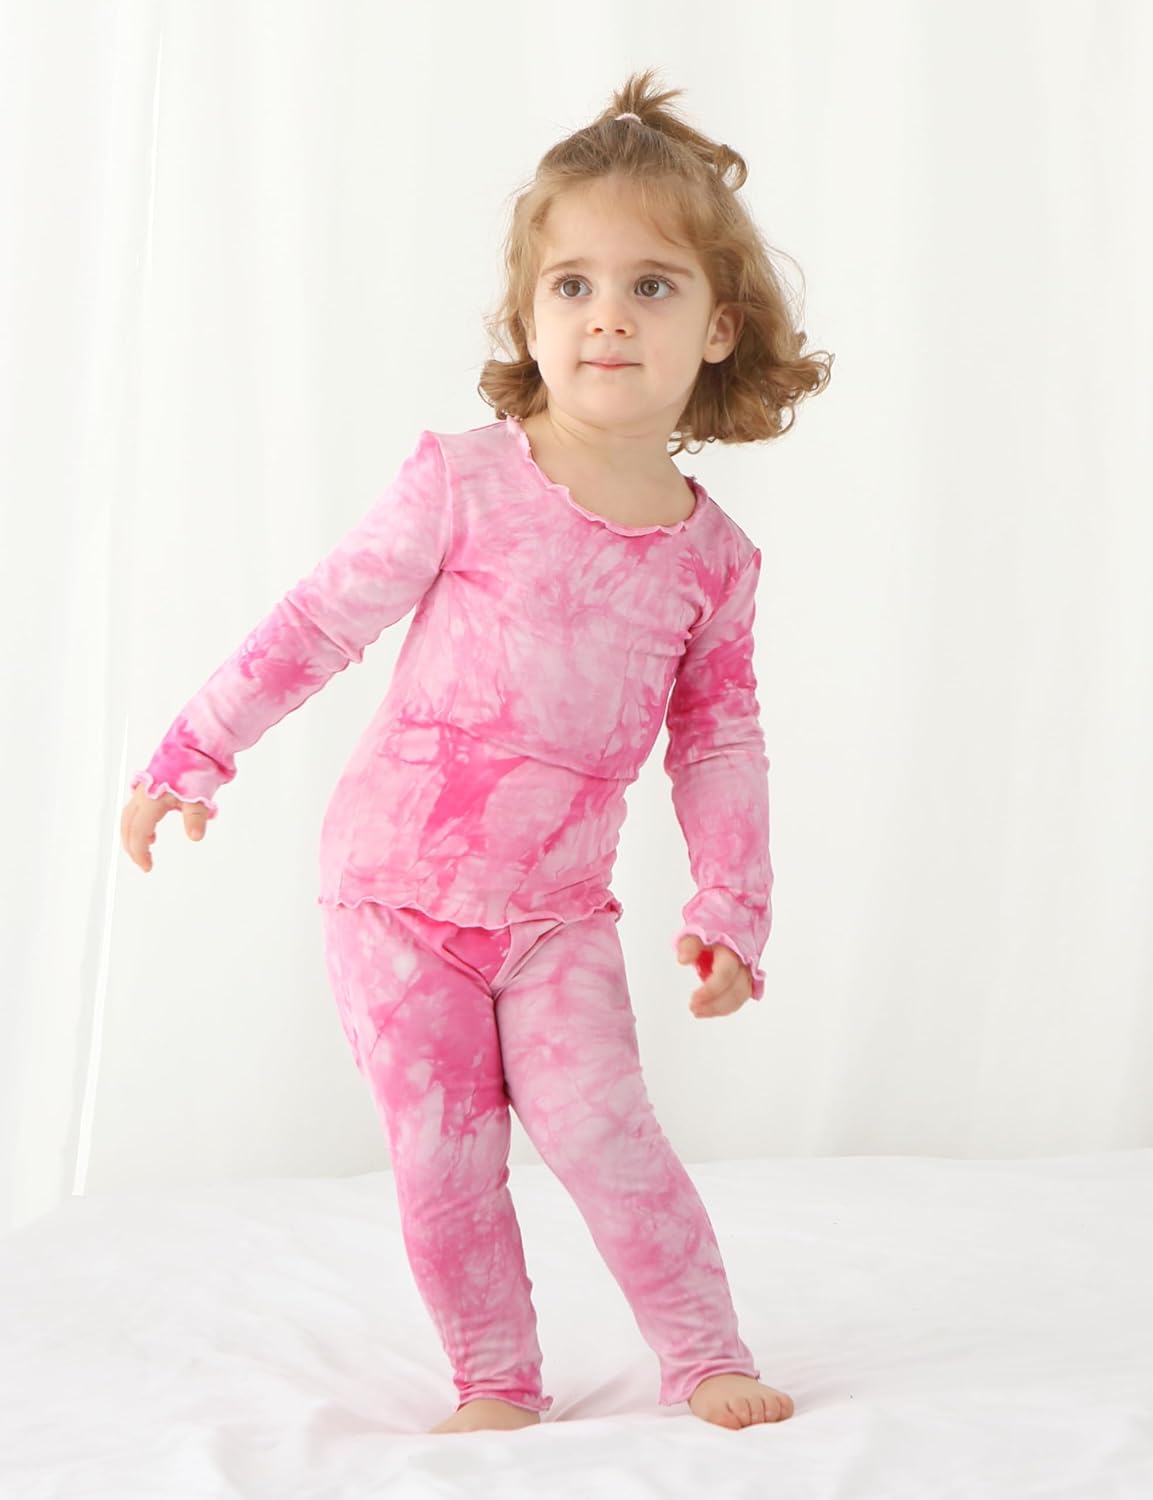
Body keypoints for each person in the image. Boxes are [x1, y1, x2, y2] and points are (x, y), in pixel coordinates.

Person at [119, 67, 832, 1435]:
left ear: (719, 327)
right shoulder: (464, 480)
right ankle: (494, 1382)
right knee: (445, 1156)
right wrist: (191, 751)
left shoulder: (714, 561)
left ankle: (703, 1354)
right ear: (527, 316)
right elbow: (319, 622)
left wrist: (731, 906)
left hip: (557, 915)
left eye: (650, 285)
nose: (607, 315)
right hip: (393, 898)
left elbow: (718, 743)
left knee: (605, 1134)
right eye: (572, 285)